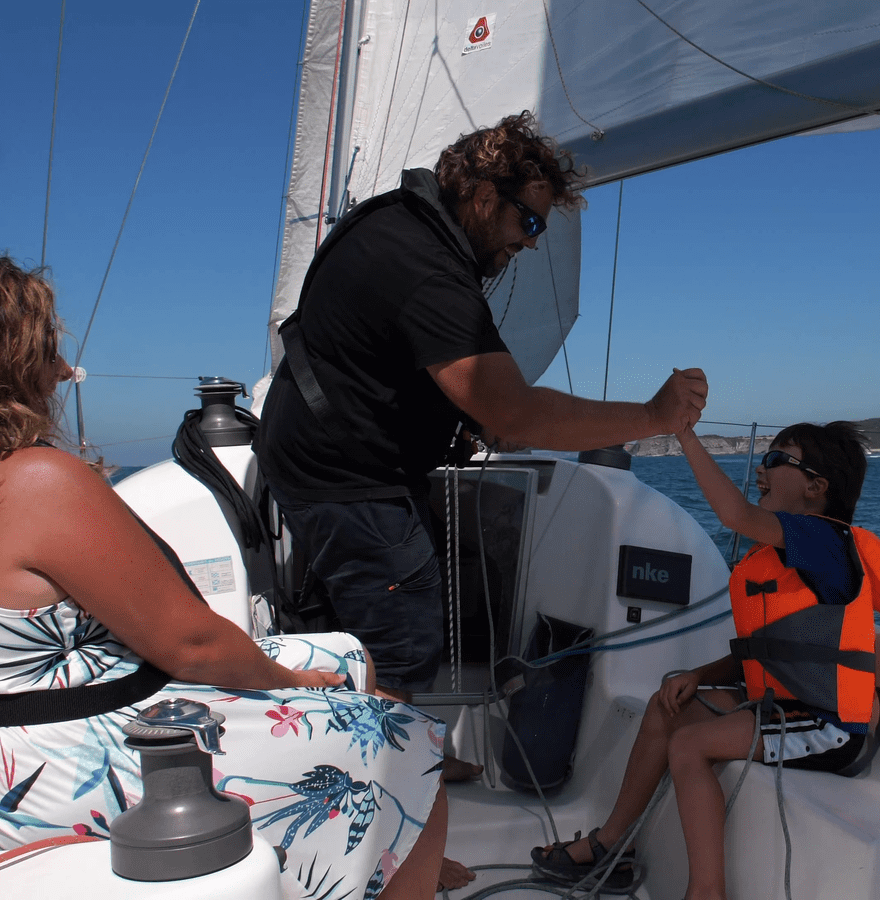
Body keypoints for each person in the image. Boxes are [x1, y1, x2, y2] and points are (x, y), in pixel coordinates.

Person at [0, 251, 454, 900]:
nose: (62, 371)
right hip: (112, 778)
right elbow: (193, 644)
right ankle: (405, 848)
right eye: (44, 350)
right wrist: (294, 682)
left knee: (351, 659)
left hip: (9, 777)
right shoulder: (27, 483)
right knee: (409, 749)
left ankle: (389, 856)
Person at [255, 111, 706, 710]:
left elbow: (393, 359)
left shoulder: (400, 223)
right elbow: (517, 414)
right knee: (402, 642)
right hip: (345, 479)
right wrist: (653, 415)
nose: (532, 241)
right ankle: (381, 757)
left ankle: (391, 735)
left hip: (323, 460)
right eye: (530, 221)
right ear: (486, 196)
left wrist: (471, 420)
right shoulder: (428, 266)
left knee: (396, 607)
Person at [530, 421, 880, 899]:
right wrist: (698, 675)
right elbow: (764, 653)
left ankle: (707, 891)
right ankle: (613, 845)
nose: (761, 469)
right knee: (665, 707)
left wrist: (685, 435)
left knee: (690, 745)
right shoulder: (790, 554)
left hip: (829, 727)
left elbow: (734, 514)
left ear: (816, 487)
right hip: (782, 709)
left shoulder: (824, 541)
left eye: (776, 460)